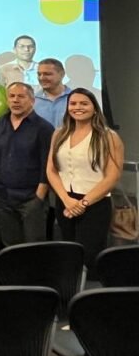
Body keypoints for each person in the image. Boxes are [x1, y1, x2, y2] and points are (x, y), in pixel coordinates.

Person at [46, 88, 124, 270]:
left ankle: (90, 287)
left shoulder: (108, 136)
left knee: (89, 256)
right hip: (65, 202)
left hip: (95, 203)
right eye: (73, 103)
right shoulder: (59, 133)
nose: (77, 107)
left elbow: (113, 176)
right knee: (69, 253)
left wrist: (83, 203)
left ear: (95, 108)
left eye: (84, 103)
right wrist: (66, 199)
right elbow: (51, 170)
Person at [0, 81, 54, 246]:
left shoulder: (44, 128)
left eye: (21, 96)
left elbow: (47, 162)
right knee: (9, 245)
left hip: (31, 197)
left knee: (33, 246)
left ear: (32, 101)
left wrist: (39, 196)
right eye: (12, 96)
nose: (15, 100)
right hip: (2, 196)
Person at [34, 58, 71, 127]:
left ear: (62, 74)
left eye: (47, 74)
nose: (41, 78)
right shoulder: (32, 101)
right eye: (39, 74)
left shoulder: (75, 98)